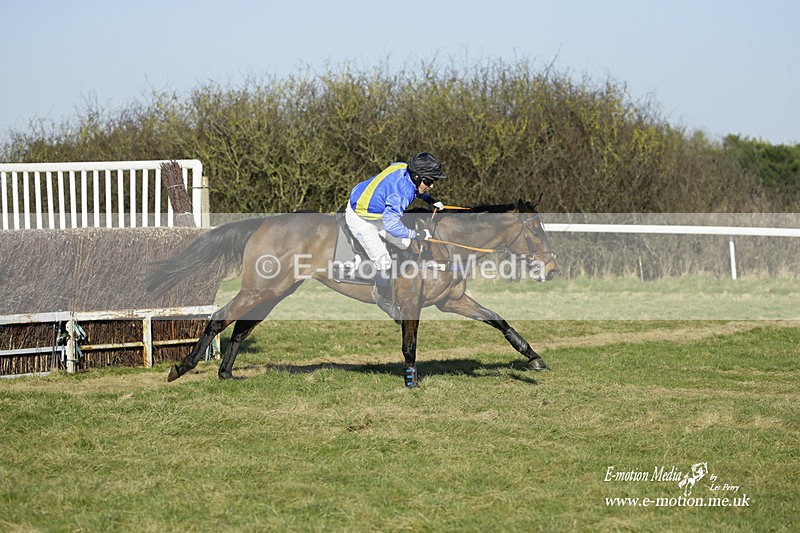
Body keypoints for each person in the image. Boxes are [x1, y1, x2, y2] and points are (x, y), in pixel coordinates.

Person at [345, 152, 447, 319]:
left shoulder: (402, 167)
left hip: (377, 212)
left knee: (405, 244)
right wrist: (418, 233)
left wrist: (430, 200)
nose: (432, 185)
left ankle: (399, 280)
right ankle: (383, 298)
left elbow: (414, 189)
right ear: (416, 177)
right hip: (360, 218)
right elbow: (392, 225)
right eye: (429, 181)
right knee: (383, 261)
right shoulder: (400, 195)